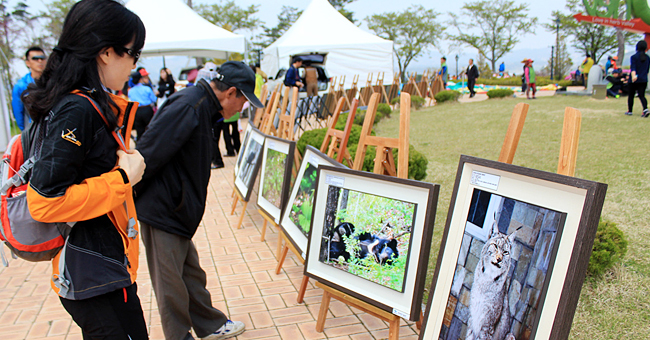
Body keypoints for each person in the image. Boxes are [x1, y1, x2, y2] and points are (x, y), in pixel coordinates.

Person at [22, 0, 148, 338]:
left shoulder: (80, 102)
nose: (134, 65)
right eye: (134, 53)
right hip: (91, 271)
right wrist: (124, 177)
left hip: (99, 268)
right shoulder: (76, 109)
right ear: (107, 52)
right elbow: (45, 201)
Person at [134, 61, 264, 340]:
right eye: (243, 100)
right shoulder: (189, 106)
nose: (243, 108)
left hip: (178, 208)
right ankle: (179, 336)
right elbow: (147, 154)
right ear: (230, 93)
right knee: (170, 283)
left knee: (191, 273)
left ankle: (209, 323)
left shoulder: (204, 106)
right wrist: (130, 197)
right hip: (163, 209)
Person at [12, 46, 46, 131]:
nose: (40, 61)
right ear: (28, 63)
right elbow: (18, 113)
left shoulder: (54, 82)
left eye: (42, 58)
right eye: (35, 59)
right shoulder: (21, 86)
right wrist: (26, 133)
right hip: (33, 131)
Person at [128, 68, 157, 139]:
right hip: (147, 109)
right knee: (150, 128)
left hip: (137, 111)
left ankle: (141, 146)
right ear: (140, 79)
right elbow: (154, 99)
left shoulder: (130, 91)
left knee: (139, 130)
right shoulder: (147, 89)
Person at [626, 40, 650, 117]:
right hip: (643, 79)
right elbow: (647, 70)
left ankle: (630, 111)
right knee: (642, 95)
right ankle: (645, 109)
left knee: (631, 95)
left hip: (634, 79)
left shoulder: (633, 57)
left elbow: (633, 68)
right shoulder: (647, 58)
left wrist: (633, 76)